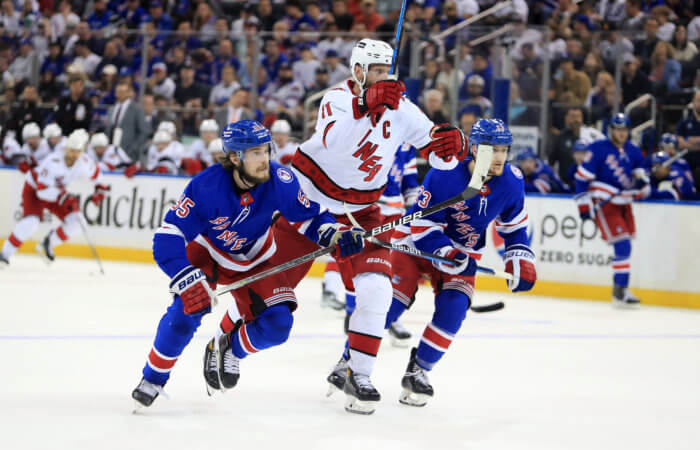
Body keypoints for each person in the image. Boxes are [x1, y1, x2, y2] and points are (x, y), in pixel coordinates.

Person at [131, 120, 364, 408]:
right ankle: (152, 379)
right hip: (209, 254)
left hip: (256, 258)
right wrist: (185, 276)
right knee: (183, 316)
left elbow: (310, 217)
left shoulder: (281, 179)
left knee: (279, 325)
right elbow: (168, 236)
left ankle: (230, 346)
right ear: (234, 158)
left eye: (265, 150)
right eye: (254, 153)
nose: (264, 158)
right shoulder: (205, 187)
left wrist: (334, 232)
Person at [291, 38, 467, 414]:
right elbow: (334, 140)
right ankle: (228, 340)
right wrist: (365, 105)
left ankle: (359, 375)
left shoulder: (399, 106)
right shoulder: (336, 99)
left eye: (386, 70)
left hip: (362, 210)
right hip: (311, 200)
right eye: (375, 70)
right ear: (356, 71)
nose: (382, 77)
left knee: (377, 291)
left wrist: (451, 145)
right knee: (269, 290)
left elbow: (436, 151)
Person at [385, 118, 536, 407]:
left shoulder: (512, 181)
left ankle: (419, 371)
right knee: (392, 303)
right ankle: (349, 362)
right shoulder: (445, 174)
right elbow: (423, 226)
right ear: (476, 149)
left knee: (453, 310)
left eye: (505, 149)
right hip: (417, 246)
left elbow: (514, 227)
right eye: (494, 149)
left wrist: (520, 257)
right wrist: (445, 252)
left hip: (463, 253)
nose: (501, 156)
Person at [0, 129, 109, 268]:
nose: (73, 155)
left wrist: (99, 190)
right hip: (35, 189)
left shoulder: (84, 162)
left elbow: (97, 176)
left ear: (82, 151)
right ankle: (4, 254)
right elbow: (41, 192)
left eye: (77, 151)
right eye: (71, 150)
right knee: (31, 223)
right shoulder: (53, 161)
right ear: (66, 148)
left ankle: (48, 244)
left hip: (56, 191)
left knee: (78, 222)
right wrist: (64, 197)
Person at [574, 113, 648, 308]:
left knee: (626, 246)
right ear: (611, 130)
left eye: (624, 130)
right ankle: (621, 290)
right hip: (605, 204)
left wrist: (642, 182)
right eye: (617, 129)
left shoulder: (634, 151)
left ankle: (619, 288)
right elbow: (581, 179)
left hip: (624, 204)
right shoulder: (597, 149)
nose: (621, 133)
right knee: (622, 244)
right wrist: (583, 206)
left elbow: (642, 178)